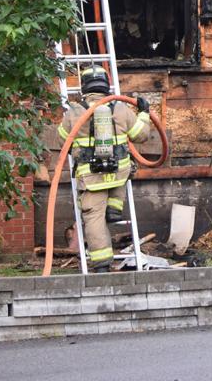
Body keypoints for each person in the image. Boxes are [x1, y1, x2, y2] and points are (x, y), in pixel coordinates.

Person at [58, 66, 151, 272]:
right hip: (119, 172)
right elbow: (142, 135)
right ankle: (115, 209)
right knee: (125, 173)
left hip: (91, 177)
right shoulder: (120, 108)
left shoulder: (74, 111)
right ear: (105, 83)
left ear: (84, 86)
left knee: (93, 218)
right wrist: (144, 113)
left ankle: (101, 264)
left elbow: (62, 138)